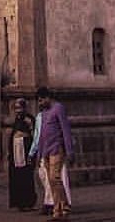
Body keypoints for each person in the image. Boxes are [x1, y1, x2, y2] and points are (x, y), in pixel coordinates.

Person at [30, 87, 74, 220]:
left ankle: (63, 208)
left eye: (41, 100)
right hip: (46, 151)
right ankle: (58, 209)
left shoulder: (58, 108)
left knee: (55, 178)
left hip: (57, 148)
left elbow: (65, 130)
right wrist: (39, 155)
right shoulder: (43, 114)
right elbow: (42, 135)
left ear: (48, 97)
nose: (40, 103)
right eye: (38, 101)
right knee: (51, 181)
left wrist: (70, 151)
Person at [7, 97, 37, 211]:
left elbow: (33, 134)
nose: (17, 110)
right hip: (16, 150)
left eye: (19, 107)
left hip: (25, 149)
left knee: (26, 176)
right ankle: (18, 201)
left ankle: (28, 201)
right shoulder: (17, 120)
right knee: (17, 176)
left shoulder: (29, 119)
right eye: (16, 108)